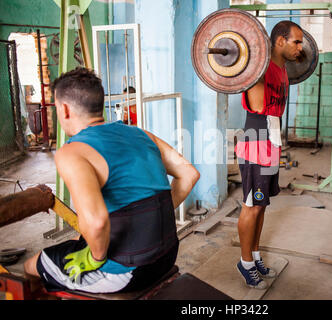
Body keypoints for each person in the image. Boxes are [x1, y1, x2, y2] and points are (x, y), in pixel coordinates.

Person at [23, 67, 200, 294]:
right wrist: (149, 223)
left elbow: (97, 222)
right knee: (79, 240)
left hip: (126, 272)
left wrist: (95, 259)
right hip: (166, 256)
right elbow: (189, 174)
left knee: (31, 266)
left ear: (64, 109)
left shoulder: (72, 152)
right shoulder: (140, 133)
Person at [234, 21, 303, 289]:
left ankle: (256, 255)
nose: (301, 47)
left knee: (262, 205)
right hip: (256, 147)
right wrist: (257, 69)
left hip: (272, 145)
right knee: (251, 206)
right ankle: (245, 262)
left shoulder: (282, 70)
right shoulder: (259, 70)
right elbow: (261, 106)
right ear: (279, 42)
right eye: (296, 42)